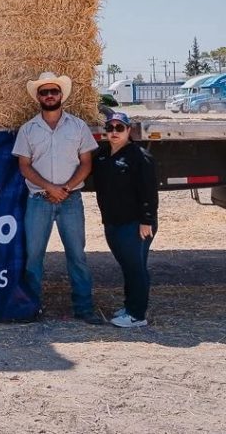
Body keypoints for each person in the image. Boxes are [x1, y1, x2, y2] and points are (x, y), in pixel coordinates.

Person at [12, 72, 102, 324]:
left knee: (77, 256)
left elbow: (86, 163)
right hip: (39, 200)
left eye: (53, 91)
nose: (49, 95)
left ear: (61, 95)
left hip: (70, 199)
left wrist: (65, 188)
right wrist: (50, 187)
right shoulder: (28, 129)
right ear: (38, 97)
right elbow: (24, 166)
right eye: (44, 92)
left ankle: (84, 309)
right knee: (33, 257)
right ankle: (31, 308)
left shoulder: (78, 126)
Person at [92, 111, 158, 328]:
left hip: (135, 224)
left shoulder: (139, 157)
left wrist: (146, 221)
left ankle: (137, 315)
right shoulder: (102, 156)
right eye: (110, 128)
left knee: (135, 267)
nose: (113, 132)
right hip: (112, 222)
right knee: (127, 266)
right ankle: (130, 305)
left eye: (119, 128)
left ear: (129, 131)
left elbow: (149, 193)